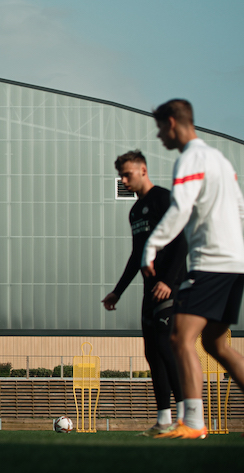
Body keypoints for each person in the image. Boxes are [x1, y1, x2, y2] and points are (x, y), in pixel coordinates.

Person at [142, 99, 244, 439]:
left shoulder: (190, 158)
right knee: (217, 345)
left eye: (160, 128)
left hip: (211, 264)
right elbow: (241, 209)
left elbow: (180, 209)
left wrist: (151, 246)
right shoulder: (220, 160)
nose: (159, 137)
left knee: (179, 338)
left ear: (172, 123)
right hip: (235, 264)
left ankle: (194, 424)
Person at [101, 150, 187, 436]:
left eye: (127, 174)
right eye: (121, 176)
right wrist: (118, 291)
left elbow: (180, 242)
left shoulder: (163, 198)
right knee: (152, 352)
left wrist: (169, 280)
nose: (124, 180)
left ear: (143, 170)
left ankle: (186, 417)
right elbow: (137, 254)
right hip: (149, 290)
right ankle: (163, 420)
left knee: (166, 347)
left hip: (171, 286)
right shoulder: (135, 211)